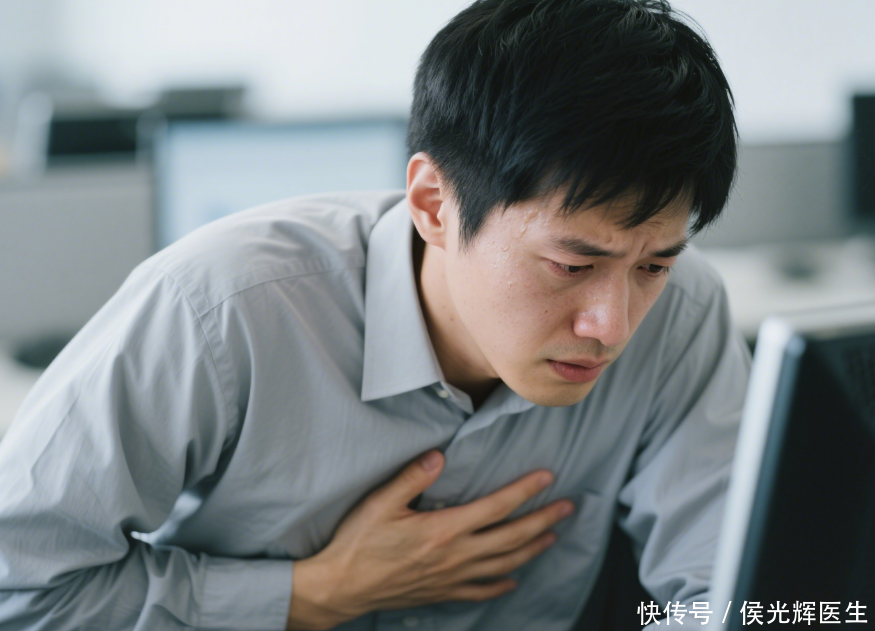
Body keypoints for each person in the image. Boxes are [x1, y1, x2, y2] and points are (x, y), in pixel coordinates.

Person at [0, 0, 751, 629]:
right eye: (571, 265)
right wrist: (306, 595)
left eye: (653, 265)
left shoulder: (684, 314)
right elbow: (21, 586)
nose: (612, 326)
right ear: (434, 203)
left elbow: (732, 595)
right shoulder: (219, 310)